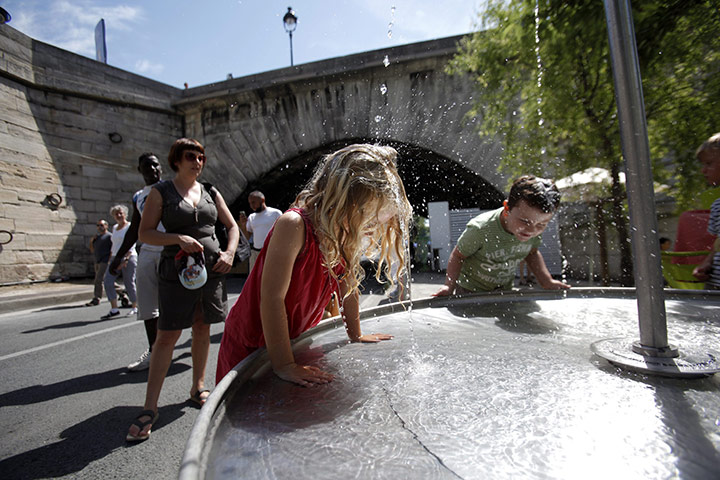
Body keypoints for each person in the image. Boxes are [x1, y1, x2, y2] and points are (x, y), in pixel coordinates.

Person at [216, 143, 413, 385]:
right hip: (250, 343)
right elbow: (271, 298)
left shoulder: (343, 234)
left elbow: (348, 287)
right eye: (366, 213)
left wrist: (356, 334)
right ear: (342, 200)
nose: (372, 224)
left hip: (290, 340)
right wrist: (285, 364)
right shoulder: (295, 225)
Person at [126, 138, 238, 442]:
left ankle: (197, 386)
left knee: (202, 327)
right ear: (176, 160)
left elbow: (231, 226)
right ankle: (150, 407)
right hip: (177, 270)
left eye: (201, 157)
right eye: (191, 156)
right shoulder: (160, 192)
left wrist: (229, 253)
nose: (198, 162)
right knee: (168, 335)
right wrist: (178, 238)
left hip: (212, 269)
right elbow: (145, 232)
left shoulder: (210, 191)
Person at [434, 175, 570, 296]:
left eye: (541, 224)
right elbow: (458, 255)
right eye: (524, 221)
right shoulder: (480, 229)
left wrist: (546, 281)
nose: (531, 230)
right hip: (471, 290)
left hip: (504, 289)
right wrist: (449, 286)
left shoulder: (532, 231)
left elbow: (532, 253)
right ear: (507, 209)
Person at [109, 153, 164, 371]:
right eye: (146, 166)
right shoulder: (138, 196)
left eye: (155, 165)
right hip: (148, 252)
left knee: (179, 305)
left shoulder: (172, 188)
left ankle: (176, 345)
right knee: (149, 307)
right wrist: (119, 256)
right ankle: (154, 352)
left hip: (172, 252)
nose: (152, 169)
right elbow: (135, 229)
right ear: (139, 170)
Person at [692, 132, 720, 289]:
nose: (703, 171)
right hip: (715, 287)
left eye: (709, 164)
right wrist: (707, 263)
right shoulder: (717, 206)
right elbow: (718, 244)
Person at [101, 205, 138, 319]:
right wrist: (110, 260)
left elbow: (131, 242)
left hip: (129, 256)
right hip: (115, 257)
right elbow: (114, 245)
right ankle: (114, 308)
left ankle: (135, 306)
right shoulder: (115, 227)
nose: (119, 215)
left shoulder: (130, 226)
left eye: (121, 213)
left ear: (125, 214)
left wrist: (126, 258)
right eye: (116, 214)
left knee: (128, 282)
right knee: (108, 281)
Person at [240, 191, 282, 272]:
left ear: (262, 200)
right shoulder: (252, 217)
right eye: (250, 203)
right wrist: (243, 225)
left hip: (272, 252)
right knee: (254, 279)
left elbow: (283, 232)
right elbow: (247, 237)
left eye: (253, 202)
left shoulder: (276, 213)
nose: (252, 206)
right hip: (256, 253)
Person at [86, 219, 112, 306]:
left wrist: (109, 260)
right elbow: (92, 249)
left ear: (106, 226)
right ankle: (122, 292)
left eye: (102, 225)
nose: (100, 227)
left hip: (105, 261)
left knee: (98, 280)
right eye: (98, 225)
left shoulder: (109, 236)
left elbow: (113, 249)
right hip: (97, 260)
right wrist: (92, 241)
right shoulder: (97, 237)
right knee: (105, 280)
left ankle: (97, 298)